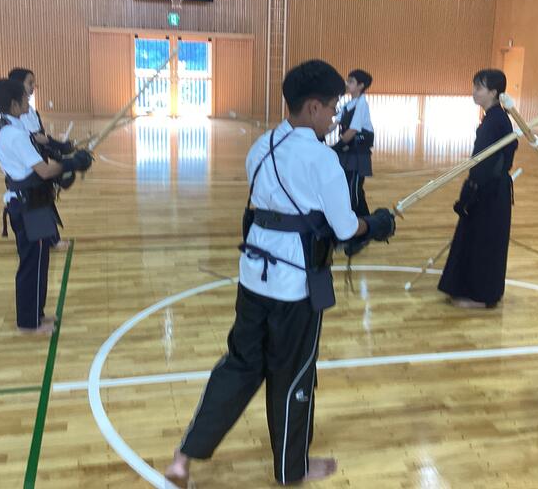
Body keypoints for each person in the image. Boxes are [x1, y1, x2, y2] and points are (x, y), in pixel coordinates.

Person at [164, 60, 396, 486]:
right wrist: (376, 224)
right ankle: (292, 470)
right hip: (295, 287)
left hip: (253, 276)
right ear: (312, 107)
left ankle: (183, 457)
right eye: (332, 108)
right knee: (293, 375)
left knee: (239, 366)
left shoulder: (261, 146)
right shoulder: (322, 159)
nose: (334, 117)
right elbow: (346, 228)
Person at [0, 78, 92, 333]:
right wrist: (72, 163)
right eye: (25, 97)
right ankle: (28, 322)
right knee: (32, 265)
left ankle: (36, 314)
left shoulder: (12, 129)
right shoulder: (13, 135)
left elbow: (39, 166)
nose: (29, 99)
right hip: (28, 207)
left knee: (40, 260)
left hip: (33, 202)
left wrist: (65, 159)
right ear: (14, 104)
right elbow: (44, 171)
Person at [438, 69, 517, 308]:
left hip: (490, 191)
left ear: (493, 92)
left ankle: (482, 297)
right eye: (474, 86)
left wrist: (471, 191)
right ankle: (471, 290)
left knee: (484, 242)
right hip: (487, 188)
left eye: (479, 88)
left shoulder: (497, 120)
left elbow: (490, 163)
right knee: (473, 239)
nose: (474, 92)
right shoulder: (493, 118)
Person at [9, 67, 75, 248]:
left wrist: (58, 150)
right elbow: (35, 138)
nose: (33, 87)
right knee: (37, 201)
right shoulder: (16, 115)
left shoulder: (30, 110)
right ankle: (46, 241)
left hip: (37, 160)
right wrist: (58, 147)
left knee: (44, 199)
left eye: (33, 83)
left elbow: (41, 136)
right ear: (17, 85)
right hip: (28, 166)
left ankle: (50, 239)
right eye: (29, 83)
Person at [331, 69, 374, 216]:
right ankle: (363, 220)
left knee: (354, 189)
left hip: (358, 153)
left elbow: (353, 130)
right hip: (349, 151)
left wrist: (337, 146)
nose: (347, 84)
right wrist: (318, 134)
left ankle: (358, 219)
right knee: (348, 185)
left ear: (361, 85)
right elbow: (335, 123)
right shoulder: (348, 104)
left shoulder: (362, 104)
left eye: (351, 81)